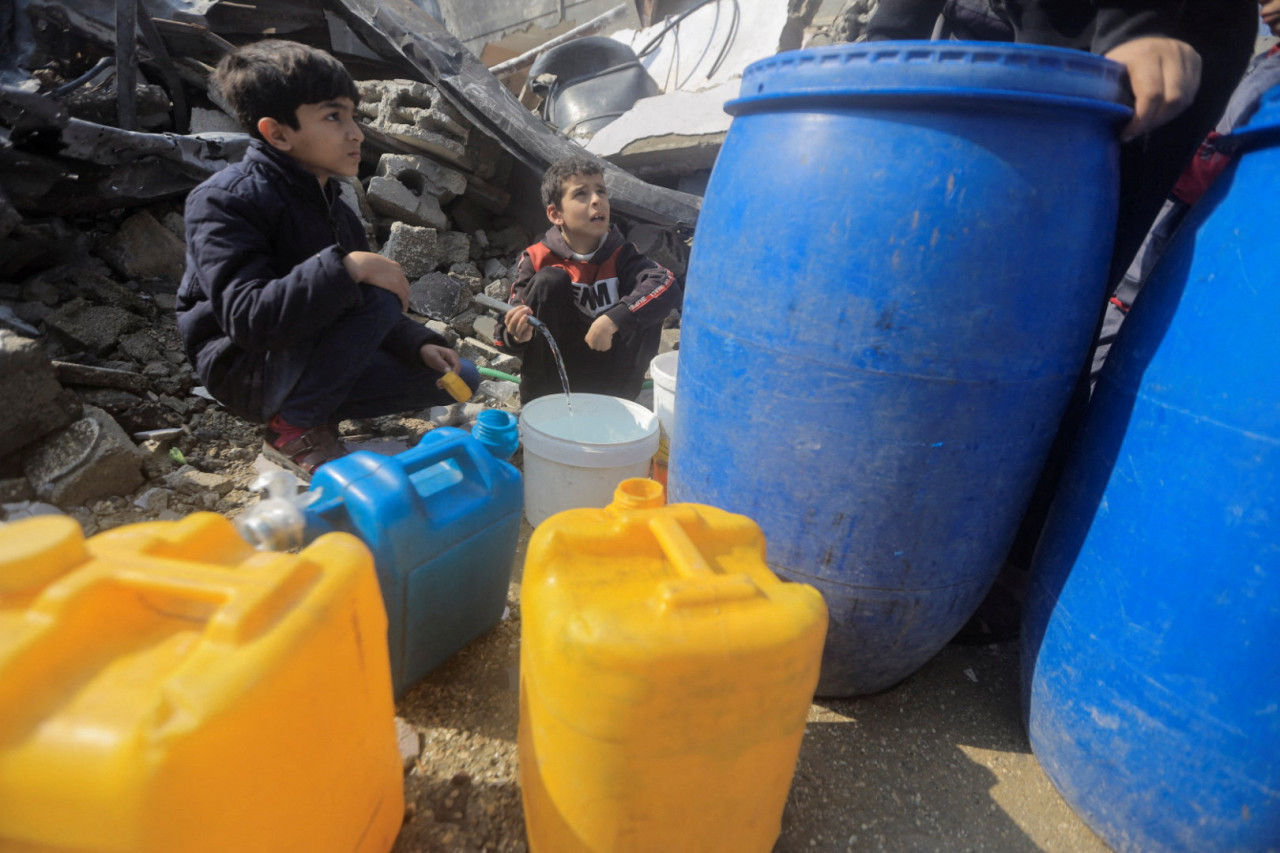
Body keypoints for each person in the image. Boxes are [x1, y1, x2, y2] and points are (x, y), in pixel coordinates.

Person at [175, 40, 479, 477]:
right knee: (377, 293)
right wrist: (347, 268)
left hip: (310, 355)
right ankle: (291, 428)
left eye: (353, 116)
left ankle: (314, 410)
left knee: (461, 377)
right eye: (334, 117)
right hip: (247, 369)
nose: (355, 132)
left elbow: (361, 309)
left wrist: (420, 343)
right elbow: (247, 320)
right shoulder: (224, 200)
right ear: (277, 133)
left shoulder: (335, 205)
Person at [495, 156, 681, 405]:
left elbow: (666, 282)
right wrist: (517, 333)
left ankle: (620, 405)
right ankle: (542, 409)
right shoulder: (537, 258)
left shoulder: (622, 253)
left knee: (650, 298)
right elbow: (503, 332)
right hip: (555, 382)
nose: (597, 201)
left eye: (601, 191)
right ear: (556, 214)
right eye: (581, 194)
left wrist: (613, 319)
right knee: (549, 280)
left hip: (612, 380)